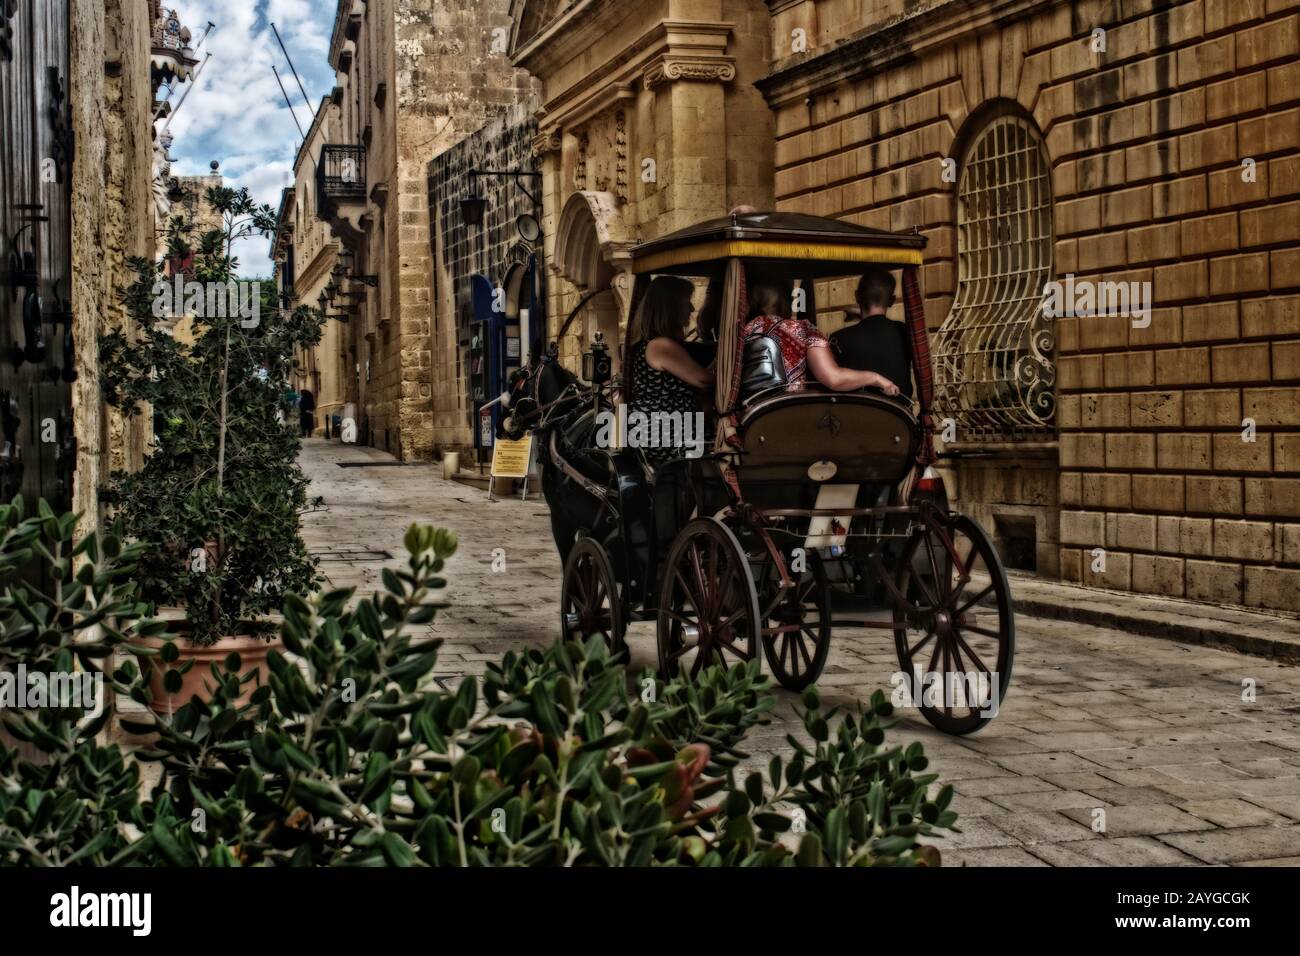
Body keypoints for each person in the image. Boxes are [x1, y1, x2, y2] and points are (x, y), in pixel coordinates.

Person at [741, 281, 899, 395]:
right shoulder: (802, 329)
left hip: (749, 419)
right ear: (786, 300)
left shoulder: (740, 333)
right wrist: (876, 378)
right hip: (787, 416)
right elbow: (833, 378)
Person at [628, 275, 714, 463]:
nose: (692, 309)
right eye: (687, 303)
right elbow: (704, 380)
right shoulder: (661, 345)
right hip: (666, 431)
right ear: (671, 308)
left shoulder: (654, 343)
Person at [829, 266, 913, 400]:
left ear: (857, 296)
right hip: (899, 415)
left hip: (858, 414)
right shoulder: (905, 332)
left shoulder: (839, 338)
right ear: (892, 300)